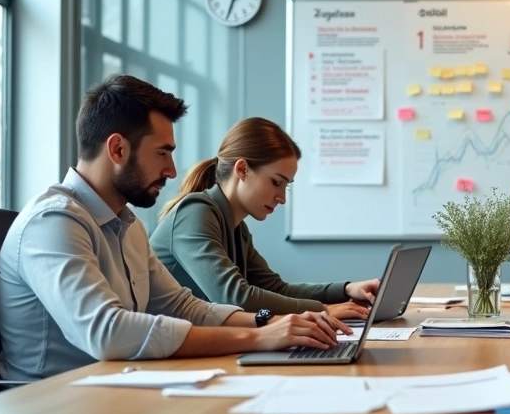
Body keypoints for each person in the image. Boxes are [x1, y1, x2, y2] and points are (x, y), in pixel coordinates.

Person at [0, 76, 351, 381]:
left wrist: (266, 324)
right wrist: (258, 338)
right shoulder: (54, 222)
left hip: (115, 386)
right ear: (117, 149)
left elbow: (183, 307)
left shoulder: (127, 226)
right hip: (53, 403)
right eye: (162, 153)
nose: (171, 170)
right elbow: (108, 331)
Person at [150, 118, 378, 319]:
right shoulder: (194, 213)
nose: (282, 198)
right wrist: (323, 309)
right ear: (242, 170)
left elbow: (275, 289)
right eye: (276, 182)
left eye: (286, 186)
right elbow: (235, 297)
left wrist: (345, 290)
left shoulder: (236, 228)